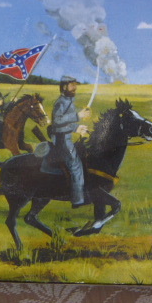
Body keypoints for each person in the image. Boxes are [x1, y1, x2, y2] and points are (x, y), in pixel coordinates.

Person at [51, 75, 91, 208]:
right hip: (61, 140)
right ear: (64, 87)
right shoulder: (60, 102)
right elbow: (57, 122)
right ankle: (77, 200)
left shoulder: (68, 101)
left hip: (66, 138)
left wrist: (78, 128)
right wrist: (78, 116)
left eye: (75, 85)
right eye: (72, 85)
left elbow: (66, 123)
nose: (75, 88)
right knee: (76, 167)